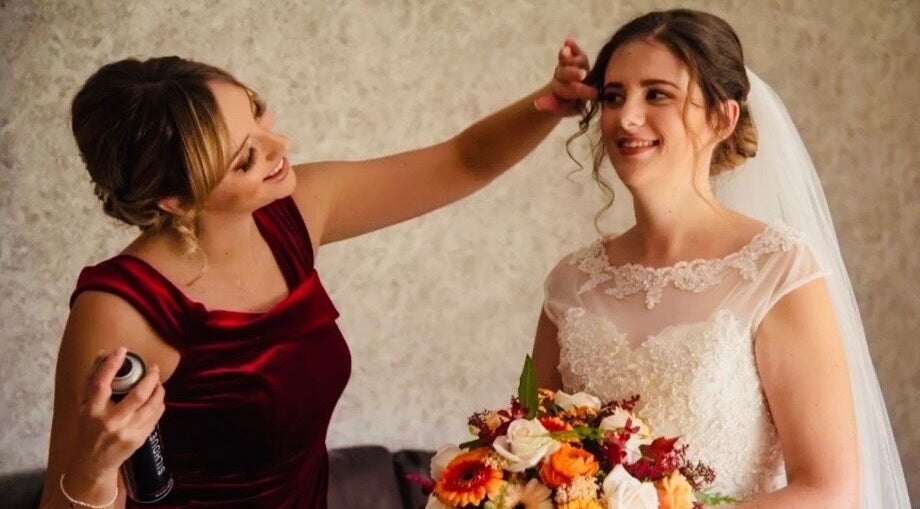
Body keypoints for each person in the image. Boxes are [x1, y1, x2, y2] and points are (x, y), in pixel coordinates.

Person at [40, 46, 596, 509]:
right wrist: (94, 471)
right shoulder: (120, 310)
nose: (281, 148)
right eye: (244, 158)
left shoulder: (294, 212)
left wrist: (547, 105)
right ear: (175, 199)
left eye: (258, 112)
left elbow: (463, 160)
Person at [532, 9, 910, 508]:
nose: (626, 117)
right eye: (613, 96)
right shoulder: (571, 284)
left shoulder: (777, 268)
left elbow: (829, 490)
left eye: (657, 94)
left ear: (721, 118)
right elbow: (532, 457)